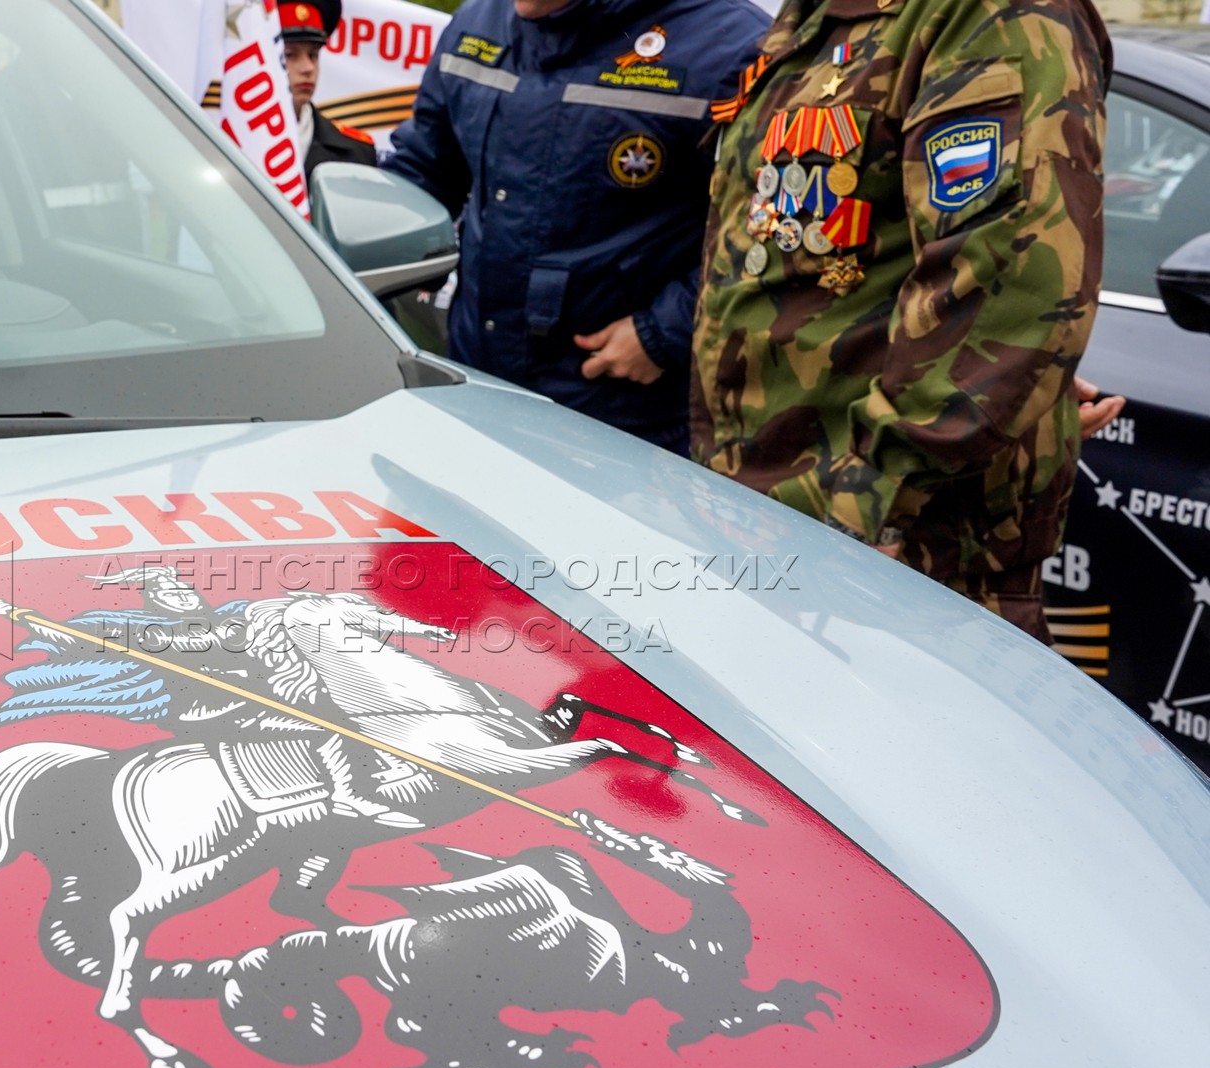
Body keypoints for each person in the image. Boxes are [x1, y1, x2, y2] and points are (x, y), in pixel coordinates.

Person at [690, 0, 1114, 643]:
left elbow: (1008, 277)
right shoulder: (818, 16)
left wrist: (871, 495)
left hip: (886, 560)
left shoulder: (985, 13)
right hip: (767, 523)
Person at [383, 0, 770, 454]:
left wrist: (665, 333)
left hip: (629, 418)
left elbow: (769, 229)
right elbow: (422, 170)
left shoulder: (730, 46)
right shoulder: (477, 23)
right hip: (472, 387)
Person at [278, 0, 378, 176]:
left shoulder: (356, 152)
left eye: (313, 55)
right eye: (290, 55)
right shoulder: (230, 141)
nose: (308, 67)